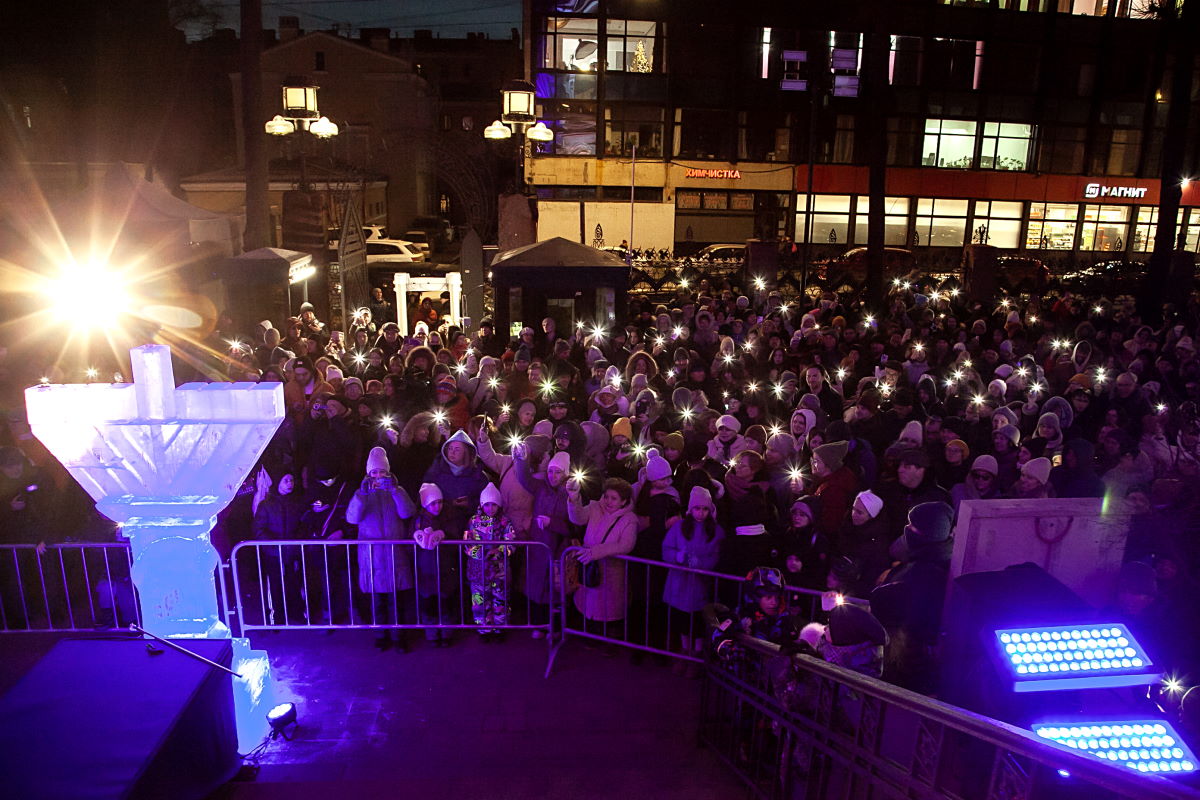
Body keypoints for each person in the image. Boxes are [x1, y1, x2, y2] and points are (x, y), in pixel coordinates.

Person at [346, 446, 418, 652]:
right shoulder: (361, 493)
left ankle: (399, 636)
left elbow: (407, 513)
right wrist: (361, 494)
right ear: (368, 474)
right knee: (377, 602)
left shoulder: (397, 490)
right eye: (374, 472)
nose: (378, 476)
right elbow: (352, 518)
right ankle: (380, 635)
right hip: (372, 556)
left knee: (397, 601)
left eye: (382, 472)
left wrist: (395, 491)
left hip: (395, 554)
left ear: (388, 472)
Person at [566, 476, 638, 645]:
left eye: (614, 498)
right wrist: (573, 498)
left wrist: (596, 552)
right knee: (589, 602)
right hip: (590, 565)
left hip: (612, 571)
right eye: (606, 496)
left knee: (609, 609)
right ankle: (591, 635)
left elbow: (626, 545)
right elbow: (577, 518)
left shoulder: (629, 519)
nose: (608, 501)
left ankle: (609, 642)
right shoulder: (594, 507)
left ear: (624, 501)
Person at [662, 486, 725, 677]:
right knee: (681, 619)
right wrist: (677, 557)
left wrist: (702, 565)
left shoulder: (715, 531)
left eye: (705, 509)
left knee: (697, 621)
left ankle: (696, 654)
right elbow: (667, 549)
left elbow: (716, 555)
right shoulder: (679, 527)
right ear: (691, 509)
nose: (700, 513)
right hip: (679, 582)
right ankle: (685, 650)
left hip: (700, 584)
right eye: (697, 509)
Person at [465, 482, 517, 640]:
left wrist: (499, 551)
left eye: (494, 505)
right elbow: (467, 542)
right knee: (480, 600)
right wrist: (479, 553)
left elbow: (512, 542)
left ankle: (500, 628)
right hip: (478, 570)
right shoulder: (473, 521)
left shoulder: (504, 522)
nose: (490, 508)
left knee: (500, 599)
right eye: (487, 505)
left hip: (499, 570)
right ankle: (484, 629)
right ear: (482, 505)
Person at [412, 483, 460, 647]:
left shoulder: (448, 516)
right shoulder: (418, 521)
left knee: (446, 602)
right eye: (433, 503)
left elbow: (455, 536)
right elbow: (410, 540)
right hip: (426, 569)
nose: (437, 506)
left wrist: (443, 534)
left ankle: (446, 633)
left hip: (446, 568)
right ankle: (432, 634)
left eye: (439, 502)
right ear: (425, 504)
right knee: (429, 604)